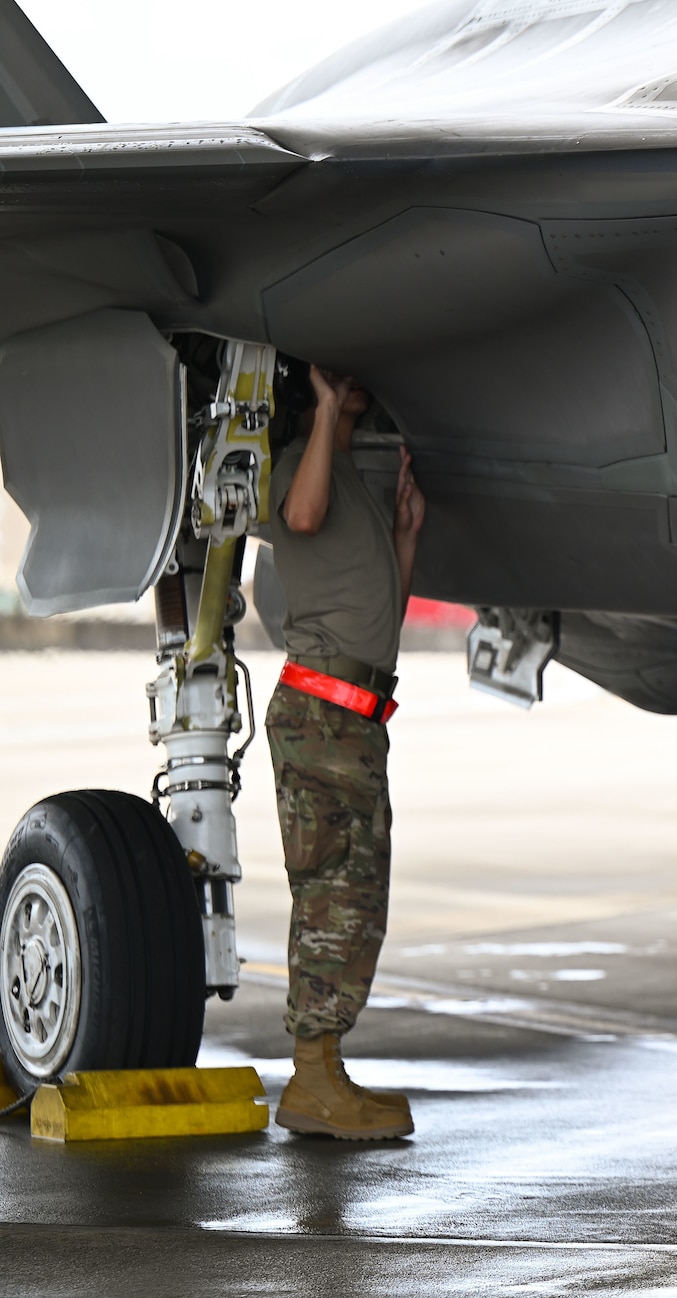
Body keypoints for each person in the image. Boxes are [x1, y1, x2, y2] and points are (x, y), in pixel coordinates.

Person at [263, 363, 425, 1140]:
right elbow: (300, 516)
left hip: (351, 721)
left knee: (357, 898)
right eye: (332, 378)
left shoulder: (346, 475)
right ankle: (312, 1077)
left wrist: (404, 536)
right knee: (332, 896)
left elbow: (379, 612)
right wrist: (326, 412)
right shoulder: (302, 464)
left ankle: (325, 1069)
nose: (352, 382)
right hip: (321, 720)